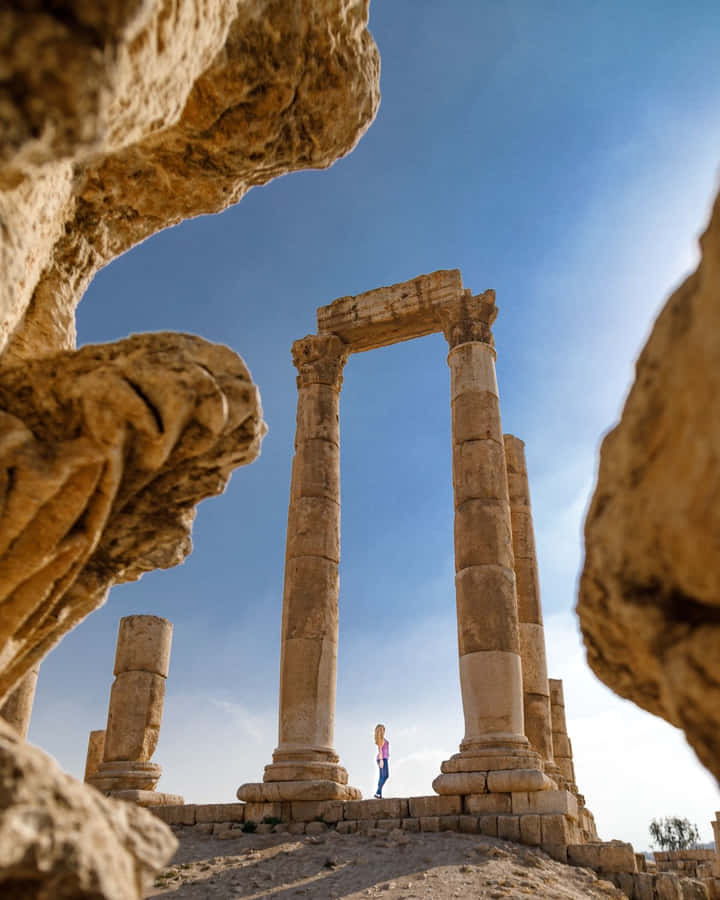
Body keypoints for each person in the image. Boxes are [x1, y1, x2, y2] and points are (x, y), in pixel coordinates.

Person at [373, 723, 389, 798]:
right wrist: (382, 760)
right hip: (382, 759)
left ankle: (379, 794)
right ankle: (377, 792)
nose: (384, 731)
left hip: (382, 758)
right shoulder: (381, 739)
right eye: (383, 729)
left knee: (381, 777)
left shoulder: (382, 739)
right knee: (385, 776)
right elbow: (380, 750)